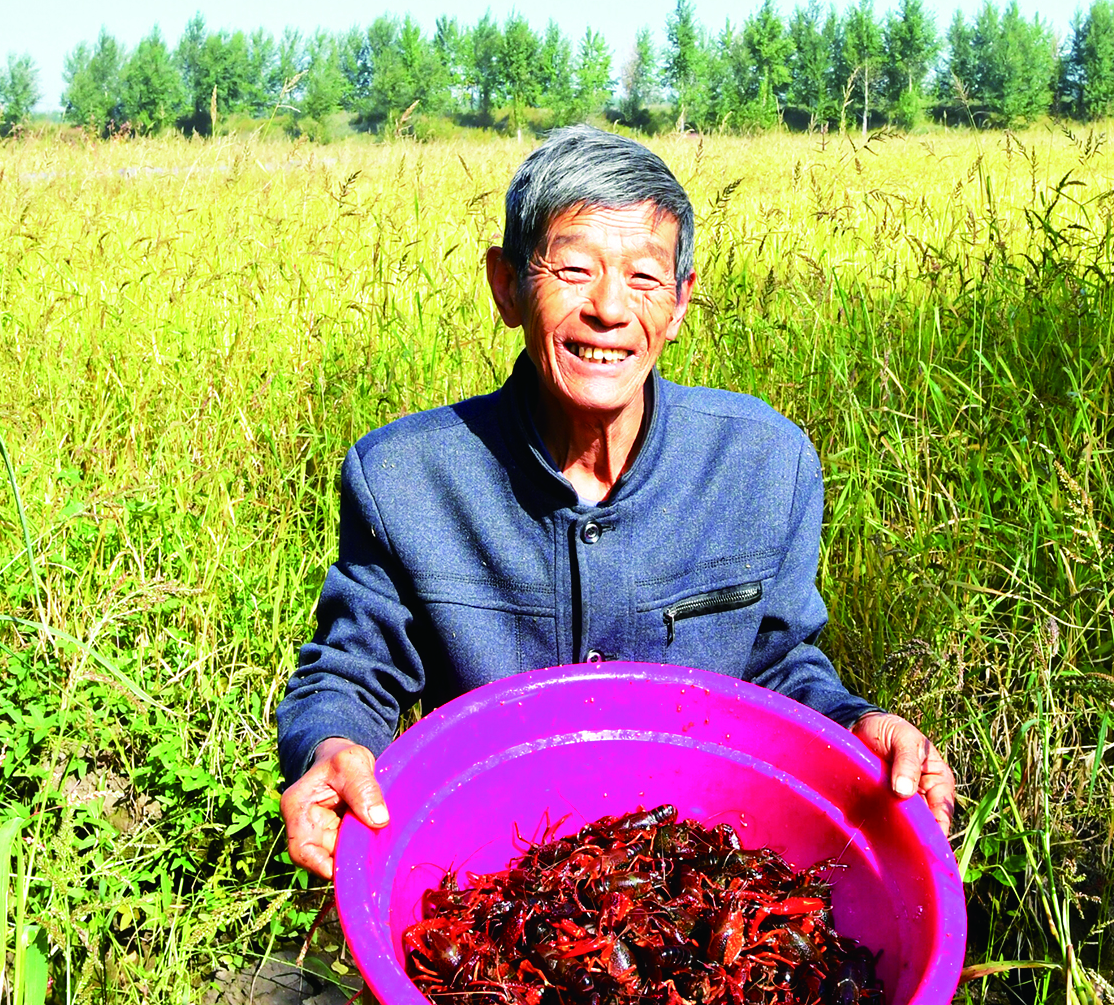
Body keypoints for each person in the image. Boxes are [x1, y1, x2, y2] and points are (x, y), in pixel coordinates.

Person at [276, 126, 956, 878]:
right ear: (506, 285)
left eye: (643, 278)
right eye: (572, 268)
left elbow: (779, 667)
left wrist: (858, 725)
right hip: (487, 875)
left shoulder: (763, 465)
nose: (608, 308)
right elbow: (351, 670)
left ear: (680, 302)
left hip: (698, 876)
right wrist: (330, 745)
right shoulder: (406, 476)